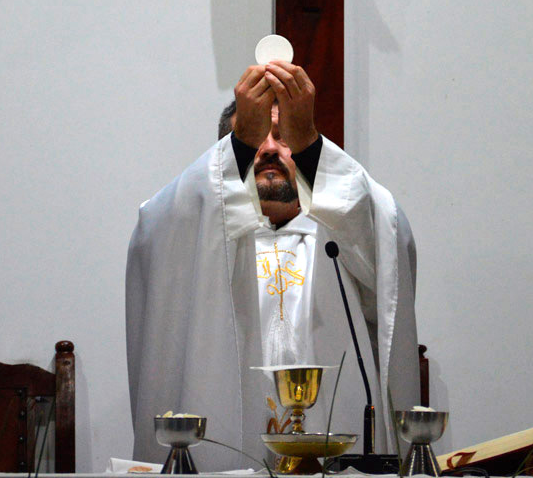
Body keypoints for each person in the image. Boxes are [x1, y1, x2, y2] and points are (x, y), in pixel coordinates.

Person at [126, 61, 419, 470]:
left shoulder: (341, 236)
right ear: (225, 162)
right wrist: (239, 143)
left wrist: (310, 141)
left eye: (283, 137)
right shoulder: (202, 242)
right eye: (249, 140)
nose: (267, 149)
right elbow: (155, 226)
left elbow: (388, 231)